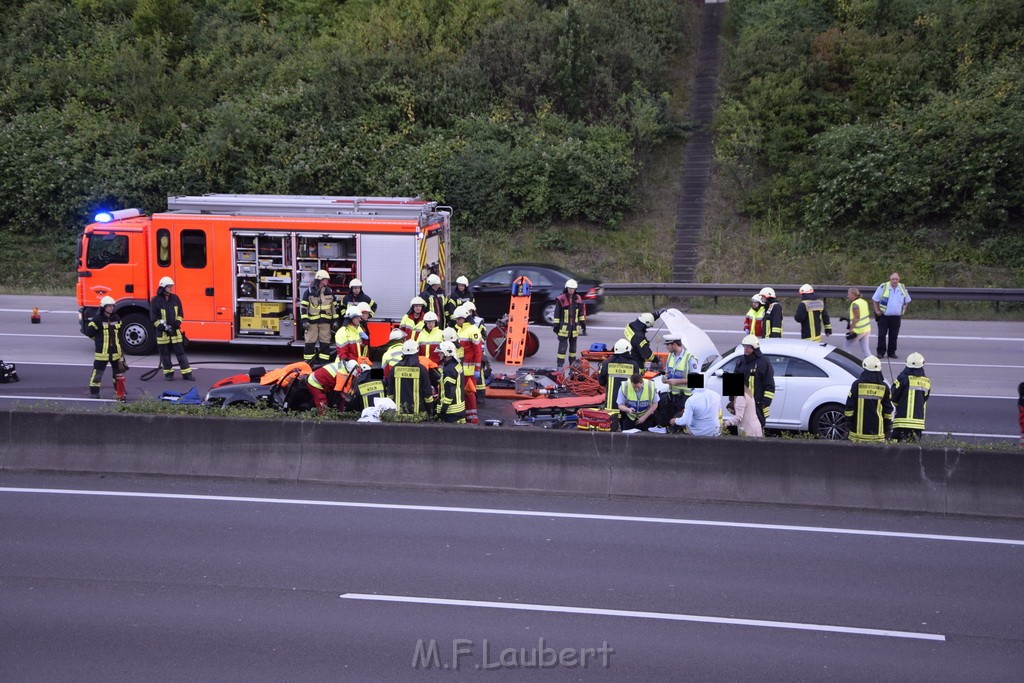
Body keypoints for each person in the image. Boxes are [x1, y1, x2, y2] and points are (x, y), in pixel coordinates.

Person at [150, 276, 193, 381]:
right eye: (169, 287)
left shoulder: (175, 298)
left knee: (181, 353)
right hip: (162, 333)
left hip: (175, 331)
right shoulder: (155, 300)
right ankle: (168, 374)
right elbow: (153, 318)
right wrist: (162, 327)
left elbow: (180, 313)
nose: (171, 288)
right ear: (163, 287)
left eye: (171, 286)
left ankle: (187, 374)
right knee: (165, 355)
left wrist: (177, 324)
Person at [845, 355, 893, 444]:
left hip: (857, 434)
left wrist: (848, 424)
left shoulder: (857, 385)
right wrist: (887, 428)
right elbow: (888, 411)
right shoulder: (884, 387)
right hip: (877, 434)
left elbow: (849, 407)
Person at [86, 296, 127, 400]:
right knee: (98, 373)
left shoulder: (116, 318)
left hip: (115, 352)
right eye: (109, 306)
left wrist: (121, 353)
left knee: (118, 374)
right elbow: (89, 332)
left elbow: (119, 335)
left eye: (112, 306)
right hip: (102, 353)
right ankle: (94, 392)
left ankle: (119, 391)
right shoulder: (97, 319)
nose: (111, 308)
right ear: (103, 307)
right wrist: (98, 341)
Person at [733, 334, 775, 431]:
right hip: (742, 403)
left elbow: (770, 385)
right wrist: (732, 400)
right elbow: (734, 381)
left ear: (755, 348)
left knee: (756, 429)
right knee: (742, 428)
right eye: (744, 346)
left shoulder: (764, 362)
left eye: (748, 347)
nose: (745, 349)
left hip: (757, 404)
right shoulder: (741, 361)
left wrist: (764, 403)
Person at [657, 334, 698, 427]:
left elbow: (696, 380)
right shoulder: (670, 356)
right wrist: (665, 378)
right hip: (673, 396)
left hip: (686, 397)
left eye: (668, 345)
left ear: (674, 344)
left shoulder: (690, 358)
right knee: (672, 420)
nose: (666, 347)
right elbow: (668, 372)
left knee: (682, 422)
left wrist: (677, 381)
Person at [385, 340, 435, 416]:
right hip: (418, 415)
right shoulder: (421, 370)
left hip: (398, 415)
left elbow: (390, 393)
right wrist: (431, 410)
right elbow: (427, 395)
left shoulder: (394, 368)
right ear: (416, 352)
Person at [891, 352, 931, 442]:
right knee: (912, 451)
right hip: (918, 423)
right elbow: (924, 399)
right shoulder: (927, 382)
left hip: (901, 421)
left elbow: (893, 396)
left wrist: (898, 404)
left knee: (895, 450)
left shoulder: (902, 379)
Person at [299, 269, 337, 364]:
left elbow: (334, 307)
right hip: (311, 322)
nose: (327, 281)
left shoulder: (329, 292)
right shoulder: (309, 292)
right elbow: (304, 307)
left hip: (326, 322)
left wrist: (335, 320)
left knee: (325, 342)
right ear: (320, 280)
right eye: (325, 279)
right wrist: (304, 321)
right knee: (310, 341)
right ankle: (309, 362)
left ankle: (323, 362)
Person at [453, 305, 483, 424]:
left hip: (470, 370)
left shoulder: (473, 330)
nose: (457, 321)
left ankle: (473, 418)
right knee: (462, 393)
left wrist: (477, 368)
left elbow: (478, 352)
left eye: (459, 319)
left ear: (464, 318)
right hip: (461, 368)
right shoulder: (460, 329)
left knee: (469, 393)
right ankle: (466, 415)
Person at [872, 272, 911, 359]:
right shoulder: (883, 287)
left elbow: (907, 300)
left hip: (896, 317)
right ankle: (880, 352)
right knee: (882, 335)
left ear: (899, 280)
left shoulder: (902, 287)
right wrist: (877, 310)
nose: (895, 281)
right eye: (893, 279)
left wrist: (903, 310)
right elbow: (875, 299)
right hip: (884, 316)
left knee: (893, 336)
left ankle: (891, 352)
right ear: (890, 279)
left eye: (896, 279)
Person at [598, 338, 641, 412]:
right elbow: (638, 383)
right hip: (628, 407)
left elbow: (601, 382)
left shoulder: (606, 363)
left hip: (610, 406)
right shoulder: (634, 364)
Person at [553, 279, 586, 369]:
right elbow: (557, 313)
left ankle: (572, 365)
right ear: (566, 288)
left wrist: (583, 324)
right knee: (562, 349)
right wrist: (556, 325)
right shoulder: (561, 299)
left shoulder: (578, 299)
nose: (571, 290)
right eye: (570, 288)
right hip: (563, 328)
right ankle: (559, 366)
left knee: (573, 349)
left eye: (573, 288)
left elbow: (580, 313)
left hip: (574, 328)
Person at [435, 341, 466, 424]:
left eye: (440, 353)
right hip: (459, 407)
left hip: (451, 410)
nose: (439, 355)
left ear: (446, 353)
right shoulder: (457, 364)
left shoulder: (449, 369)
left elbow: (450, 391)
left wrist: (443, 409)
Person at [843, 288, 871, 358]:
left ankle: (847, 364)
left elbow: (856, 317)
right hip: (866, 329)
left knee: (846, 347)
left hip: (858, 330)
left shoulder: (855, 304)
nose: (848, 296)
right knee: (865, 349)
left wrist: (850, 330)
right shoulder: (863, 302)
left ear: (853, 295)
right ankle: (872, 364)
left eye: (849, 294)